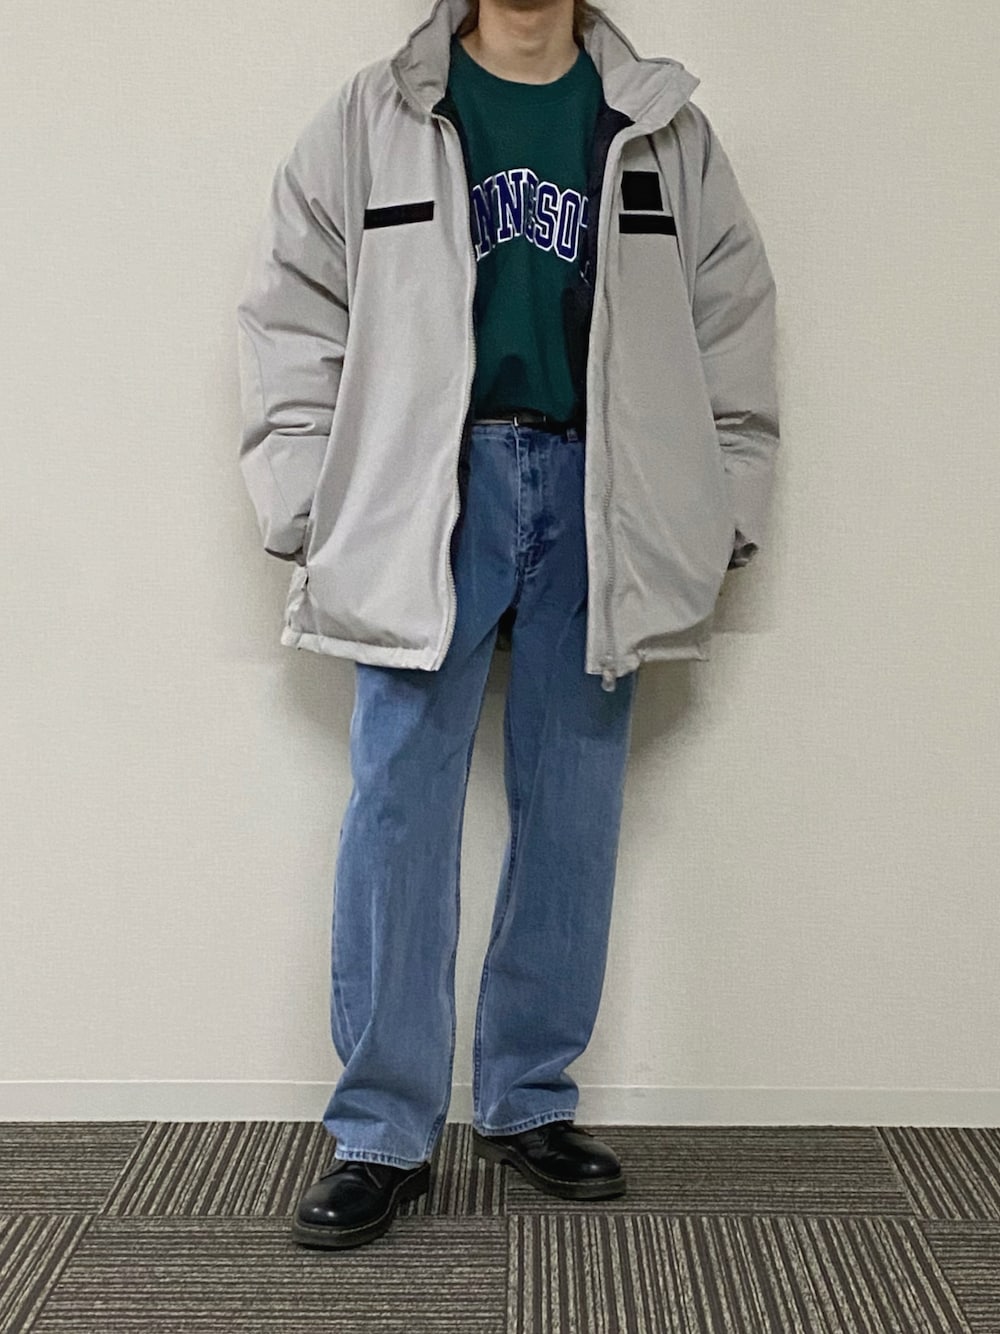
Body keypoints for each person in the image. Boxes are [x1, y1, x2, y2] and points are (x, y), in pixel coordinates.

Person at [236, 0, 779, 1251]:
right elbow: (293, 310)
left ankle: (528, 1097)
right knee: (398, 800)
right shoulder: (377, 113)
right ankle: (381, 1129)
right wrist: (310, 503)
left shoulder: (660, 126)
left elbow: (730, 322)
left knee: (573, 799)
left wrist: (721, 509)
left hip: (603, 491)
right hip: (426, 492)